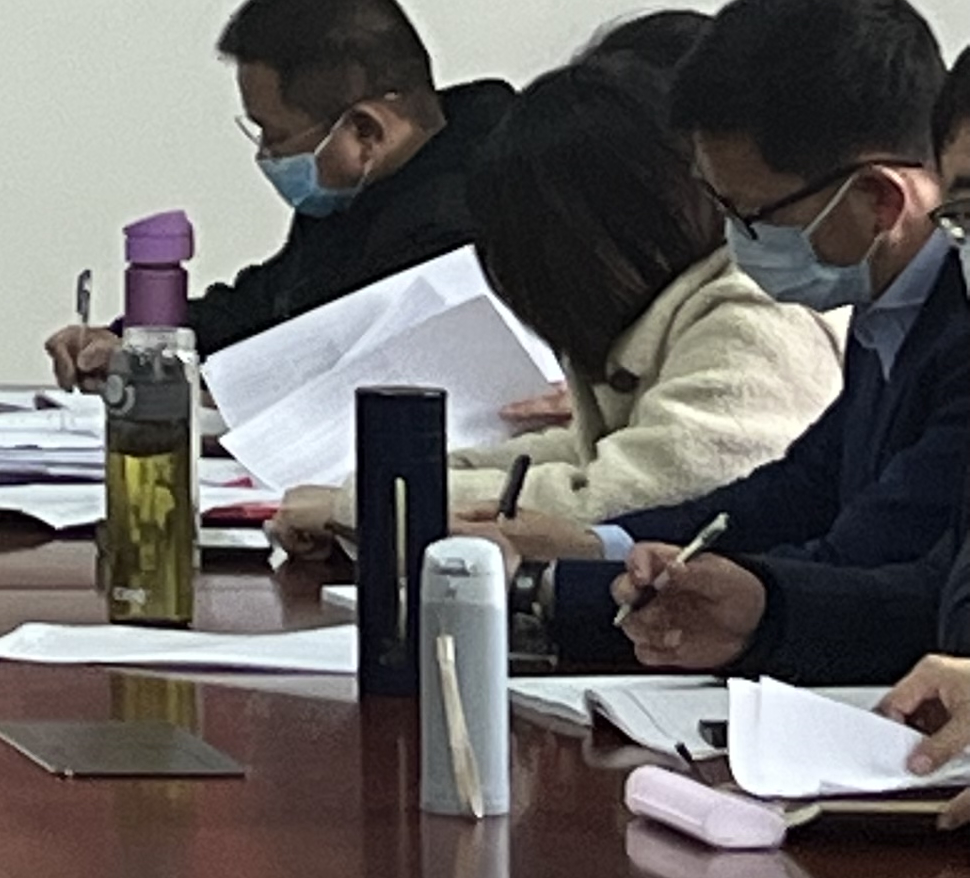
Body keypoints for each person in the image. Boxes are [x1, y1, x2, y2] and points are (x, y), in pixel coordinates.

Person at [527, 0, 967, 678]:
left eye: (753, 217)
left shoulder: (956, 327)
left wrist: (553, 587)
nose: (735, 242)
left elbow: (871, 558)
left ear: (879, 201)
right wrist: (600, 546)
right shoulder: (887, 301)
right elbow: (801, 488)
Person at [270, 60, 836, 545]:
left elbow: (619, 502)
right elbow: (582, 453)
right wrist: (390, 483)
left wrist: (370, 505)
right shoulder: (674, 312)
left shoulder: (753, 320)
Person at [45, 0, 511, 384]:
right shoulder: (365, 189)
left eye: (276, 135)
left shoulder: (469, 219)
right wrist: (133, 339)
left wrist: (160, 369)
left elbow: (309, 360)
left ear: (365, 131)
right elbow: (266, 303)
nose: (265, 155)